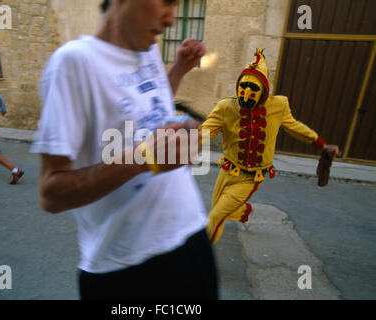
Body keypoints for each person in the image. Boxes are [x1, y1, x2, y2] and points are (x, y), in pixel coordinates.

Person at [30, 0, 218, 300]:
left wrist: (179, 70)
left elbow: (151, 112)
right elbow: (51, 194)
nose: (171, 19)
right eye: (166, 2)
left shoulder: (148, 50)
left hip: (192, 236)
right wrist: (144, 158)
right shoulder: (73, 63)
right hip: (129, 270)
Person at [199, 49, 341, 244]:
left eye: (253, 88)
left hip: (250, 177)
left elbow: (295, 127)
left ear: (264, 91)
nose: (246, 93)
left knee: (215, 217)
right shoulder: (226, 107)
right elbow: (203, 132)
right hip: (227, 170)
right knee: (218, 207)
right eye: (243, 86)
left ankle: (198, 266)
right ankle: (243, 211)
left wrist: (321, 144)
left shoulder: (279, 105)